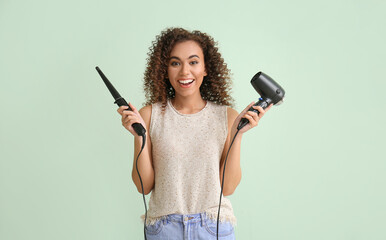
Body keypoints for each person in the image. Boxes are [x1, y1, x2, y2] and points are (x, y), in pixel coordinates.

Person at [117, 27, 272, 239]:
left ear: (206, 68)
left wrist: (238, 135)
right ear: (165, 69)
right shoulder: (150, 115)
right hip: (164, 229)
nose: (184, 72)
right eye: (175, 63)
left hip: (212, 228)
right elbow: (144, 186)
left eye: (193, 62)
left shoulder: (227, 117)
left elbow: (228, 188)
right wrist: (139, 137)